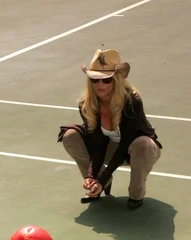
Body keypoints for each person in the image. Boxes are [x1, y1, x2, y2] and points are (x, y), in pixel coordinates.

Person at [58, 48, 162, 210]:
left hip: (135, 151)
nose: (100, 84)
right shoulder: (86, 104)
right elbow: (97, 144)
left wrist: (103, 176)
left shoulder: (131, 101)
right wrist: (92, 176)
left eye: (106, 80)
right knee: (70, 136)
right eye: (94, 80)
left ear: (117, 79)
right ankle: (96, 185)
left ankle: (136, 194)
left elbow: (124, 144)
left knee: (142, 144)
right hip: (108, 149)